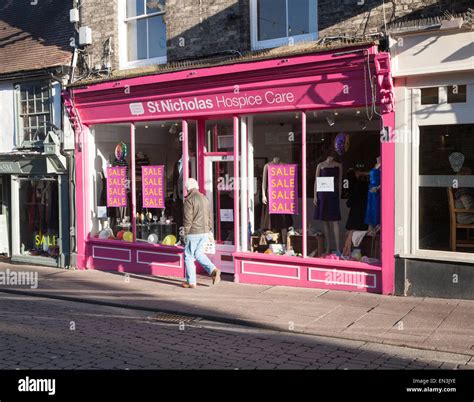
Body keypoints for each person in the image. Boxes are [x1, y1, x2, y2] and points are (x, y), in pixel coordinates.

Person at [183, 178, 221, 288]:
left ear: (188, 188)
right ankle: (213, 270)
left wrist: (185, 233)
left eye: (186, 188)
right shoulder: (204, 198)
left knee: (189, 256)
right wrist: (208, 229)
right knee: (198, 253)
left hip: (194, 232)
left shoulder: (189, 199)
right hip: (204, 231)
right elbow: (209, 215)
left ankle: (191, 282)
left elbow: (187, 219)